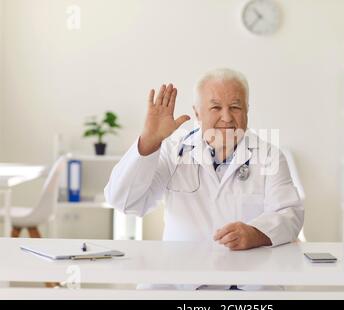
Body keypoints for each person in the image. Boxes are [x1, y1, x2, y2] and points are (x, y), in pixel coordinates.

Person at [104, 68, 305, 290]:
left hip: (248, 285)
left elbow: (290, 214)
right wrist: (149, 142)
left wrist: (256, 233)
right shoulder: (174, 150)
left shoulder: (269, 155)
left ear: (247, 110)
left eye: (236, 107)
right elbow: (124, 201)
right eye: (216, 107)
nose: (227, 117)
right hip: (180, 281)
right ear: (197, 113)